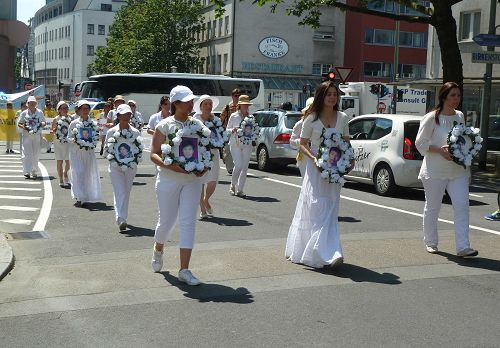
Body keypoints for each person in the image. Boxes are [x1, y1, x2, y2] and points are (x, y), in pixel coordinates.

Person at [285, 81, 351, 268]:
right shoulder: (311, 119)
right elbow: (303, 143)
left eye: (334, 94)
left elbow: (346, 143)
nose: (332, 97)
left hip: (335, 169)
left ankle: (331, 251)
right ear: (322, 96)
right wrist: (314, 159)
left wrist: (350, 160)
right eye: (328, 94)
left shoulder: (343, 117)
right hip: (315, 170)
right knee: (316, 208)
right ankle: (316, 250)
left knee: (331, 208)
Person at [150, 85, 209, 286]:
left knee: (188, 222)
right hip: (169, 178)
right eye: (186, 100)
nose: (191, 103)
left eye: (192, 100)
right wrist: (171, 166)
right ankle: (158, 248)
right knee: (166, 221)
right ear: (175, 103)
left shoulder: (198, 126)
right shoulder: (164, 125)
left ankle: (184, 269)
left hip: (192, 180)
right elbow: (154, 153)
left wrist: (204, 166)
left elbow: (204, 150)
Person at [415, 81, 478, 257]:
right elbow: (420, 143)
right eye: (452, 95)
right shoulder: (431, 117)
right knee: (433, 207)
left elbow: (463, 140)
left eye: (458, 95)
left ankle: (463, 247)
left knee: (462, 206)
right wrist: (440, 151)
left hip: (458, 171)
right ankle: (431, 242)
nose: (456, 99)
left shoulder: (460, 116)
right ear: (443, 97)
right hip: (435, 170)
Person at [105, 104, 140, 231]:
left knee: (126, 191)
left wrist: (133, 160)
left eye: (129, 114)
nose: (126, 116)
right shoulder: (111, 132)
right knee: (120, 191)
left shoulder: (135, 132)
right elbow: (106, 150)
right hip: (115, 167)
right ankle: (121, 218)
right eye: (124, 114)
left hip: (131, 167)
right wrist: (114, 159)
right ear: (118, 116)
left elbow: (138, 149)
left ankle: (122, 216)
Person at [69, 99, 102, 207]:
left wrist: (93, 141)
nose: (85, 110)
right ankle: (79, 196)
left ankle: (86, 195)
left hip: (88, 152)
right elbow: (68, 137)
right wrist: (73, 140)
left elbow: (96, 137)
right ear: (78, 110)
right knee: (78, 172)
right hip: (76, 152)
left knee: (87, 173)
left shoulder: (93, 123)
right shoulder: (74, 123)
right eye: (83, 108)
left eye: (87, 108)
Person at [194, 94, 221, 219]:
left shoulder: (215, 120)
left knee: (213, 180)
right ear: (200, 106)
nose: (208, 106)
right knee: (200, 181)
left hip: (213, 152)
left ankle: (206, 199)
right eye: (205, 104)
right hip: (199, 152)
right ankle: (202, 208)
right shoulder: (195, 119)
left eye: (210, 104)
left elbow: (221, 135)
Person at [226, 94, 254, 198]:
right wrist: (232, 130)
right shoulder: (234, 116)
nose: (246, 106)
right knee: (238, 165)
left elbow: (253, 129)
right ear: (240, 105)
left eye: (247, 104)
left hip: (247, 143)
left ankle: (240, 189)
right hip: (235, 143)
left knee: (245, 167)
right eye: (244, 104)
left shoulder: (251, 117)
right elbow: (227, 129)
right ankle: (233, 185)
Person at [18, 96, 46, 179]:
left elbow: (43, 122)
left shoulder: (40, 112)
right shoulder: (24, 113)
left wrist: (40, 125)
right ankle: (27, 171)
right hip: (27, 136)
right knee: (27, 154)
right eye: (31, 103)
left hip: (36, 135)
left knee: (36, 153)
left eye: (34, 102)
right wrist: (25, 127)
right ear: (28, 104)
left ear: (36, 103)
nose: (32, 104)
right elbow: (19, 123)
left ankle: (34, 171)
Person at [290, 97, 314, 177]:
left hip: (317, 156)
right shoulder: (299, 124)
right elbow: (292, 142)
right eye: (311, 109)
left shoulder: (319, 124)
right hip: (304, 157)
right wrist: (303, 141)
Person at [220, 88, 241, 174]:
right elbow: (221, 118)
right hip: (229, 131)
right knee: (228, 150)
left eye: (239, 95)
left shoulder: (242, 107)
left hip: (239, 133)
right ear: (232, 96)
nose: (237, 97)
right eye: (236, 96)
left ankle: (237, 166)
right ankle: (230, 168)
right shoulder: (228, 107)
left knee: (238, 150)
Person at [51, 101, 72, 186]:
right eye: (63, 108)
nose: (65, 110)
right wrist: (54, 131)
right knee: (59, 161)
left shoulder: (71, 118)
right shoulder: (56, 119)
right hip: (58, 142)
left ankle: (65, 173)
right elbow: (52, 131)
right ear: (59, 110)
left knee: (68, 161)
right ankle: (60, 179)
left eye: (66, 108)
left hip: (68, 142)